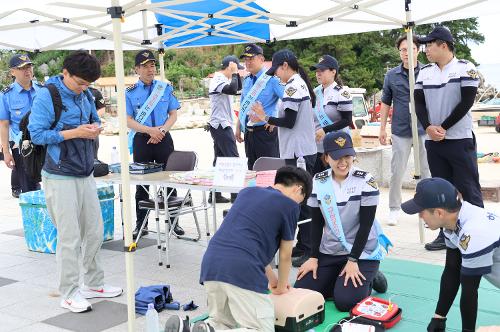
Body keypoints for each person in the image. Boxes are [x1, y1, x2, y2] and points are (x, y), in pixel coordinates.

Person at [28, 51, 122, 313]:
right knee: (69, 237)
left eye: (88, 85)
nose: (84, 88)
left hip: (85, 171)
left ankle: (94, 283)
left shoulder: (85, 94)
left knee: (94, 230)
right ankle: (69, 292)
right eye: (80, 82)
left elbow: (93, 119)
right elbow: (37, 135)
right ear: (65, 73)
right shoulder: (48, 95)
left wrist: (94, 127)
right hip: (59, 175)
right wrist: (75, 133)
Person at [164, 166, 312, 332]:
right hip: (243, 269)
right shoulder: (290, 205)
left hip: (212, 263)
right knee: (261, 329)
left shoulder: (247, 192)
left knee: (221, 321)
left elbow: (250, 246)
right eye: (302, 199)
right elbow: (285, 255)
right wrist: (282, 286)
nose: (300, 203)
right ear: (298, 188)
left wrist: (273, 281)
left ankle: (191, 328)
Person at [294, 132, 389, 312]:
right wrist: (313, 257)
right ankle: (338, 281)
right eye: (336, 157)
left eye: (347, 156)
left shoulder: (366, 181)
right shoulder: (319, 181)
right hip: (330, 251)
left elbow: (366, 225)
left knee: (345, 302)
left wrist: (353, 260)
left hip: (361, 253)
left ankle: (370, 276)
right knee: (302, 291)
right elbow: (316, 223)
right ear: (326, 157)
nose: (343, 162)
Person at [415, 26, 483, 251]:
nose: (425, 50)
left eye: (429, 45)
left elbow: (467, 102)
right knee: (442, 190)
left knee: (468, 187)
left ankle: (479, 232)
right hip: (434, 142)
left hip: (459, 139)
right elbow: (419, 103)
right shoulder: (424, 72)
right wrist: (428, 127)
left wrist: (443, 127)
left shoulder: (466, 68)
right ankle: (446, 235)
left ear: (443, 45)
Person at [401, 177, 500, 332]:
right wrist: (439, 317)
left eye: (421, 212)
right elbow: (452, 269)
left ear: (439, 213)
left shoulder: (474, 233)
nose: (420, 217)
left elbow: (469, 291)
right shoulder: (455, 220)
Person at [251, 49, 317, 268]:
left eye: (278, 70)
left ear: (286, 65)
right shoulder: (298, 84)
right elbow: (291, 120)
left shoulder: (293, 86)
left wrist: (265, 117)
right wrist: (272, 120)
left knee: (301, 200)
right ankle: (303, 244)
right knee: (298, 199)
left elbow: (288, 121)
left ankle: (307, 248)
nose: (277, 75)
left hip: (298, 152)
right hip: (298, 150)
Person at [126, 50, 184, 239]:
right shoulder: (130, 92)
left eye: (152, 65)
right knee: (141, 185)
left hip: (163, 137)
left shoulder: (165, 88)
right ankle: (141, 224)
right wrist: (149, 131)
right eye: (145, 66)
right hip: (142, 140)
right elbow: (127, 120)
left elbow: (173, 114)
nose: (150, 69)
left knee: (169, 180)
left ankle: (174, 222)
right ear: (137, 69)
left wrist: (161, 131)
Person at [379, 34, 430, 226]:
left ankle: (427, 209)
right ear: (399, 52)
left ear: (418, 50)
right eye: (403, 49)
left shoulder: (427, 71)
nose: (407, 53)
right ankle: (394, 208)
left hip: (424, 129)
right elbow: (385, 102)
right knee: (396, 171)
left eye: (411, 48)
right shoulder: (391, 75)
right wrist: (382, 128)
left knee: (426, 171)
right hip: (400, 130)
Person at [236, 43, 284, 170]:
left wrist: (276, 121)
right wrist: (238, 126)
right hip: (249, 134)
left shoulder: (272, 80)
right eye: (245, 59)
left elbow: (288, 102)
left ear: (262, 59)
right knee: (252, 171)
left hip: (265, 133)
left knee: (269, 172)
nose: (247, 62)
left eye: (251, 58)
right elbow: (242, 106)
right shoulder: (246, 80)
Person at [0, 54, 42, 196]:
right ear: (13, 72)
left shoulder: (43, 90)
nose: (27, 70)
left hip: (44, 142)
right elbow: (4, 125)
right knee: (29, 188)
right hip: (22, 145)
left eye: (29, 66)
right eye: (22, 68)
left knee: (50, 183)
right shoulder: (6, 95)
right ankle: (35, 216)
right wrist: (6, 152)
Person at [207, 55, 243, 204]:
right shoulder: (218, 78)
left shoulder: (222, 78)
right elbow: (232, 90)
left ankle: (214, 195)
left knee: (220, 160)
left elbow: (238, 87)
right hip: (221, 125)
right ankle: (236, 196)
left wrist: (236, 74)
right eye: (234, 68)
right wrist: (234, 72)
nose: (236, 72)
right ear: (229, 66)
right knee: (233, 160)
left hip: (220, 125)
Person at [309, 54, 353, 176]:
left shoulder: (342, 93)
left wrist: (325, 129)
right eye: (317, 71)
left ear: (333, 72)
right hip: (317, 148)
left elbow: (347, 120)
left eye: (322, 70)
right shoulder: (315, 92)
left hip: (337, 148)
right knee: (317, 184)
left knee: (337, 182)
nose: (318, 73)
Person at [88, 85, 106, 159]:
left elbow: (102, 109)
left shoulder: (95, 92)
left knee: (93, 154)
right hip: (76, 127)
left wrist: (92, 117)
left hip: (92, 126)